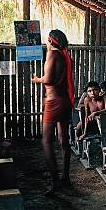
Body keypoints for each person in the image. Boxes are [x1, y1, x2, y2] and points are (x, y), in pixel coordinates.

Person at [32, 29, 75, 193]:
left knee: (46, 141)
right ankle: (65, 177)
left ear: (50, 41)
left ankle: (55, 181)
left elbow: (49, 79)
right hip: (64, 101)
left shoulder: (52, 55)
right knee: (63, 140)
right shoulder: (64, 56)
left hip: (53, 101)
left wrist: (37, 79)